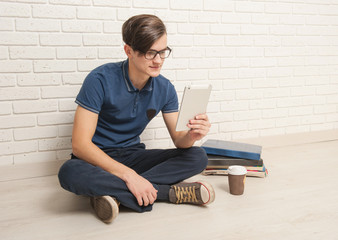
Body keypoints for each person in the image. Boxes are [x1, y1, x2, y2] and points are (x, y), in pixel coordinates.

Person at [58, 14, 215, 224]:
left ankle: (111, 194)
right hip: (96, 160)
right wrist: (129, 176)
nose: (158, 60)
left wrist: (192, 135)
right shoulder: (99, 79)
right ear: (128, 50)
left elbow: (179, 140)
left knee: (198, 156)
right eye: (150, 53)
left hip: (133, 156)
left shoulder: (165, 88)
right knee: (69, 172)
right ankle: (166, 193)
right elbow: (80, 145)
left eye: (162, 52)